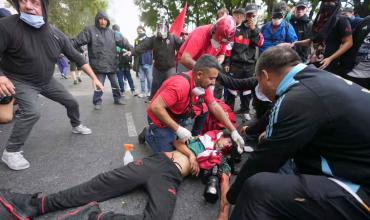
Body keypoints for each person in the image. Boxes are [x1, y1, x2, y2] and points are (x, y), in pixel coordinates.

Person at [222, 46, 370, 219]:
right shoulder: (316, 79)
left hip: (361, 189)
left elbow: (264, 159)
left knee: (257, 189)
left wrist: (231, 196)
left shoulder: (296, 98)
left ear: (265, 76)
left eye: (259, 83)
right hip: (355, 166)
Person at [0, 131, 236, 220]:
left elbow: (225, 184)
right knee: (99, 185)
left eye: (230, 147)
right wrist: (192, 155)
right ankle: (35, 204)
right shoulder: (202, 139)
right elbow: (176, 140)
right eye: (227, 141)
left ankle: (95, 216)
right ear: (221, 135)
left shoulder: (220, 161)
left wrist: (224, 213)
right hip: (160, 160)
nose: (227, 145)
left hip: (170, 177)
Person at [0, 0, 104, 171]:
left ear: (45, 6)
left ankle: (76, 124)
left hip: (47, 81)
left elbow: (77, 57)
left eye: (34, 2)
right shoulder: (6, 26)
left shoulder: (56, 34)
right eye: (23, 1)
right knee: (32, 112)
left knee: (72, 102)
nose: (27, 6)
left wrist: (94, 78)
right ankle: (11, 151)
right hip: (21, 80)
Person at [143, 55, 244, 157]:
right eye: (211, 79)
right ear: (199, 74)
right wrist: (178, 129)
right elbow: (155, 107)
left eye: (215, 79)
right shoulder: (180, 85)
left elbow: (214, 106)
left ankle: (178, 134)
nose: (213, 83)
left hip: (177, 114)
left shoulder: (202, 84)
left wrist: (233, 131)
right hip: (159, 118)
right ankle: (148, 134)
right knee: (168, 157)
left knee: (203, 110)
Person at [71, 11, 132, 110]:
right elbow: (77, 41)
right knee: (99, 85)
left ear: (107, 21)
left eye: (105, 19)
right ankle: (97, 101)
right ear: (97, 19)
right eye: (100, 19)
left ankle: (117, 98)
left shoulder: (112, 33)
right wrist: (65, 45)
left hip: (111, 64)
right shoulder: (90, 30)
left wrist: (132, 49)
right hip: (98, 66)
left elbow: (123, 42)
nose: (103, 21)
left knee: (115, 84)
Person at [223, 4, 264, 117]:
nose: (250, 17)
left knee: (247, 90)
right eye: (248, 14)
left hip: (250, 66)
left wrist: (254, 30)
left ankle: (245, 110)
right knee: (231, 88)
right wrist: (226, 62)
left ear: (256, 16)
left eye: (253, 15)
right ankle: (228, 111)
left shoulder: (257, 30)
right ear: (245, 15)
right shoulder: (236, 29)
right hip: (235, 64)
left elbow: (260, 43)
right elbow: (228, 47)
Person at [293, 0, 353, 74]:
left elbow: (349, 42)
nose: (328, 4)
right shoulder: (319, 20)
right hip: (311, 62)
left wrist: (330, 58)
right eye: (326, 2)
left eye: (331, 2)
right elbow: (313, 41)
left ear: (337, 4)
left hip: (326, 65)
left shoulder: (342, 20)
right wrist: (295, 43)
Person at [133, 17, 183, 99]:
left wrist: (186, 43)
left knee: (171, 85)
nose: (160, 29)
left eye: (162, 27)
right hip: (157, 67)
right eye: (159, 27)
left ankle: (171, 101)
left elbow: (183, 46)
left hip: (170, 67)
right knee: (155, 85)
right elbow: (142, 46)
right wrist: (132, 52)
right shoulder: (154, 39)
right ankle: (153, 100)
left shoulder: (173, 38)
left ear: (167, 27)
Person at [112, 24, 136, 95]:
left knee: (120, 77)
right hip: (126, 61)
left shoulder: (112, 38)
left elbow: (112, 49)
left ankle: (122, 91)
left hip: (118, 61)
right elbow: (130, 47)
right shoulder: (124, 38)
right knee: (128, 76)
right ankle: (132, 90)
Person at [134, 26, 153, 98]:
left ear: (144, 31)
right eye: (138, 32)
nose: (139, 33)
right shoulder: (136, 40)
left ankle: (150, 91)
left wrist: (153, 59)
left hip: (148, 61)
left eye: (141, 31)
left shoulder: (149, 40)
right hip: (139, 62)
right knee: (141, 79)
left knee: (149, 78)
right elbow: (135, 51)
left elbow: (152, 50)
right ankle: (143, 92)